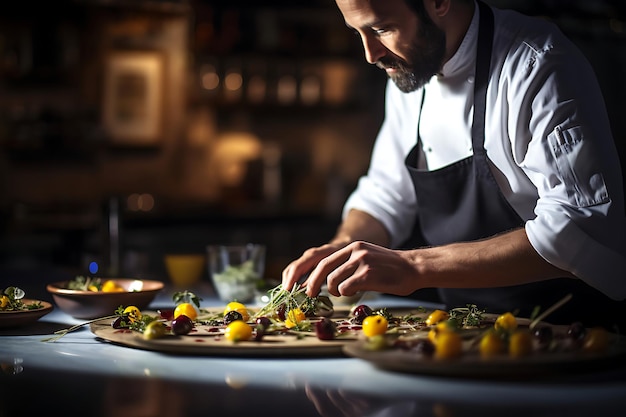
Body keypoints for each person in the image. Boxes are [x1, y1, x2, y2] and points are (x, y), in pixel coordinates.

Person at [282, 0, 626, 330]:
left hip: (563, 336)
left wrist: (413, 267)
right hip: (463, 332)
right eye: (358, 33)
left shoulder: (536, 64)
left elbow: (581, 226)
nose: (370, 54)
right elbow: (385, 196)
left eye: (383, 28)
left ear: (439, 2)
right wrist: (342, 247)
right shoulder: (408, 69)